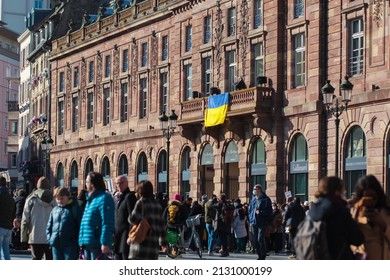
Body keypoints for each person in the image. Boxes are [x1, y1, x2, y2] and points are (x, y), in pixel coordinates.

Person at [309, 176, 364, 259]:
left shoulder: (313, 210)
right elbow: (357, 239)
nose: (344, 192)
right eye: (343, 189)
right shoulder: (339, 209)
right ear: (337, 191)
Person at [351, 175, 390, 259]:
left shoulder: (386, 213)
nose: (371, 202)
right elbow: (350, 236)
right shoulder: (355, 213)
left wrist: (383, 225)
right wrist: (358, 209)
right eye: (366, 198)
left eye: (373, 197)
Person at [78, 171, 115, 260]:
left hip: (97, 243)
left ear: (92, 184)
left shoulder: (104, 198)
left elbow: (107, 222)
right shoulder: (90, 199)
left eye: (87, 182)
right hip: (87, 242)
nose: (85, 184)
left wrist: (105, 242)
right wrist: (81, 240)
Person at [127, 180, 167, 260]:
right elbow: (162, 227)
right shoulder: (157, 205)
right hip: (153, 247)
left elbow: (132, 219)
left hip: (140, 245)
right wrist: (163, 243)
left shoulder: (140, 203)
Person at [21, 176, 56, 260]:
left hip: (35, 236)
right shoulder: (55, 200)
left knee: (36, 259)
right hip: (50, 236)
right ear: (48, 186)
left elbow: (25, 219)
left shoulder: (31, 199)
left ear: (37, 186)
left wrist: (23, 237)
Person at [46, 186, 82, 260]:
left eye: (62, 198)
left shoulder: (74, 208)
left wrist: (77, 242)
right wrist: (50, 239)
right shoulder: (54, 210)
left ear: (68, 196)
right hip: (56, 244)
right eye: (57, 199)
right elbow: (49, 226)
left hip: (70, 245)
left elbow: (80, 225)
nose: (59, 201)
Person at [114, 175, 137, 260]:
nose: (118, 185)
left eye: (121, 183)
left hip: (125, 236)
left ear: (127, 183)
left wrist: (131, 235)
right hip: (118, 236)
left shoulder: (129, 197)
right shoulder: (119, 197)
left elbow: (133, 217)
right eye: (117, 183)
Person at [249, 184, 272, 260]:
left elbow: (269, 211)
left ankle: (263, 255)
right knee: (255, 240)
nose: (254, 191)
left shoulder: (266, 199)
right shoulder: (253, 199)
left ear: (259, 189)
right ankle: (259, 254)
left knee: (260, 239)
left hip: (262, 222)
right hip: (254, 222)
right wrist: (251, 218)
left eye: (255, 189)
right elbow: (250, 210)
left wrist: (261, 212)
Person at [0, 177, 16, 260]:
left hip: (1, 225)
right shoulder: (10, 197)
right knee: (6, 252)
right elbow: (13, 213)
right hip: (8, 227)